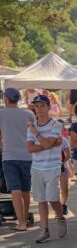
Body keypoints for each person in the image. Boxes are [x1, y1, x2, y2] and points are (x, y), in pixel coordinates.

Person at [26, 94, 68, 243]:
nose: (39, 109)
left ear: (48, 107)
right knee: (41, 199)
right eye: (36, 106)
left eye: (42, 106)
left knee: (52, 197)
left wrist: (37, 134)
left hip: (52, 166)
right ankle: (45, 230)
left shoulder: (55, 124)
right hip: (37, 167)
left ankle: (60, 217)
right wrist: (46, 143)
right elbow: (30, 148)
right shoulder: (32, 125)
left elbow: (48, 144)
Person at [0, 87, 35, 231]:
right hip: (27, 155)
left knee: (15, 189)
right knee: (26, 190)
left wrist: (3, 147)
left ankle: (20, 222)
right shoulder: (28, 113)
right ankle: (24, 219)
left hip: (9, 155)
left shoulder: (1, 113)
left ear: (6, 99)